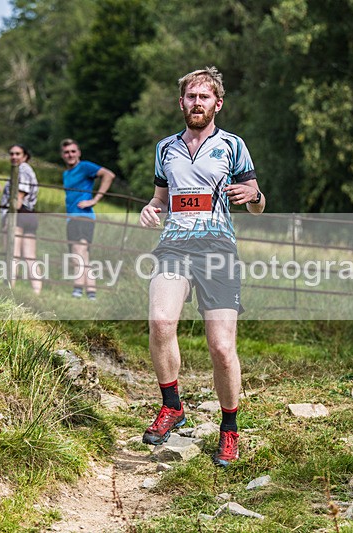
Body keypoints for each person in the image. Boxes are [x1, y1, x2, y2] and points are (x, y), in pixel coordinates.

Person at [138, 67, 265, 467]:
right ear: (182, 103)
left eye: (204, 97)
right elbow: (161, 198)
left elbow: (257, 203)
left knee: (222, 348)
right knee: (160, 322)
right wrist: (151, 208)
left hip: (218, 248)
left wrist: (255, 194)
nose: (197, 103)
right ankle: (172, 406)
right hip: (174, 245)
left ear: (217, 103)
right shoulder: (165, 149)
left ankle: (230, 431)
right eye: (191, 97)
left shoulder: (232, 146)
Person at [60, 138, 116, 300]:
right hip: (71, 218)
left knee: (79, 252)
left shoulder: (84, 167)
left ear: (78, 152)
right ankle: (91, 292)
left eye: (72, 151)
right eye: (66, 152)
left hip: (84, 217)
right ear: (62, 155)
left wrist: (95, 200)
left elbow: (108, 175)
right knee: (81, 255)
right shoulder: (66, 173)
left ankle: (77, 290)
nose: (70, 155)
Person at [0, 144, 41, 294]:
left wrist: (9, 215)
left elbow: (18, 199)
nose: (14, 157)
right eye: (11, 154)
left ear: (25, 156)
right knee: (30, 256)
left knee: (12, 254)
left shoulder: (22, 170)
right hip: (30, 214)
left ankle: (9, 290)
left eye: (18, 154)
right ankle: (37, 291)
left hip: (18, 215)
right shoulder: (27, 170)